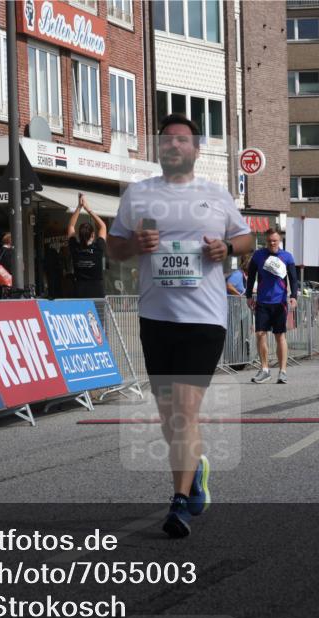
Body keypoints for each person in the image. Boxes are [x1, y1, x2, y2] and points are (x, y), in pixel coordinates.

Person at [107, 113, 253, 539]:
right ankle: (196, 472)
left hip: (204, 319)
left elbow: (246, 239)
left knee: (185, 412)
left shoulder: (216, 194)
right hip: (156, 318)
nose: (174, 146)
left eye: (182, 140)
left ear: (196, 149)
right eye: (167, 140)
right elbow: (114, 248)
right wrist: (134, 244)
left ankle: (178, 502)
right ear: (159, 149)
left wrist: (226, 246)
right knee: (170, 416)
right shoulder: (138, 195)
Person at [245, 229, 298, 384]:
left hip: (280, 303)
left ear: (279, 240)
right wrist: (249, 296)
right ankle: (265, 369)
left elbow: (293, 279)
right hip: (262, 302)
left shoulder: (287, 257)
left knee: (280, 336)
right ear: (265, 241)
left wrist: (294, 296)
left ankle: (282, 371)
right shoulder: (259, 255)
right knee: (260, 334)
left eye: (274, 241)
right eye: (269, 241)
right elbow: (251, 277)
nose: (272, 243)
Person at [67, 193, 108, 298]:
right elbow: (103, 226)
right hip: (97, 292)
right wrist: (88, 209)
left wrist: (79, 207)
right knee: (98, 314)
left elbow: (71, 226)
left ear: (79, 236)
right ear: (93, 235)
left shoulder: (75, 248)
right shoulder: (98, 248)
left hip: (79, 291)